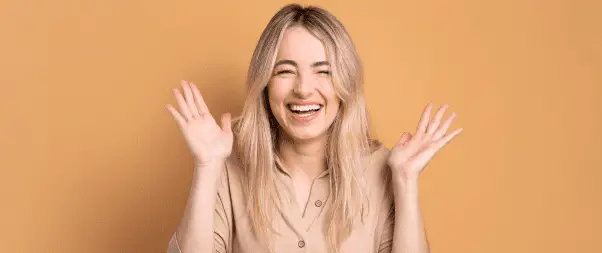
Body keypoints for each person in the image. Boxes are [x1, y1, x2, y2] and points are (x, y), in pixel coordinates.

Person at [164, 3, 462, 253]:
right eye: (285, 71)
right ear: (265, 84)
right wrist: (207, 167)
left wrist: (406, 181)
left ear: (345, 83)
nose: (304, 89)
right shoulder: (229, 166)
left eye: (323, 71)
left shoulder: (380, 167)